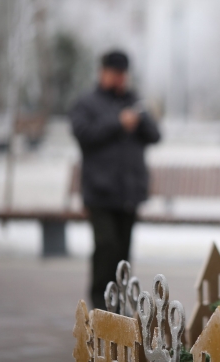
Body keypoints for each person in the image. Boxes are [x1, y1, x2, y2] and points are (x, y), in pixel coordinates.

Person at [69, 50, 161, 310]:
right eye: (114, 73)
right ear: (103, 72)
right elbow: (83, 134)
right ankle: (100, 305)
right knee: (106, 246)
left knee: (122, 253)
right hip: (99, 192)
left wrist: (138, 120)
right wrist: (118, 122)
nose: (119, 79)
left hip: (128, 192)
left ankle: (118, 305)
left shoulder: (134, 101)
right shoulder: (87, 103)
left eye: (122, 74)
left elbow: (154, 135)